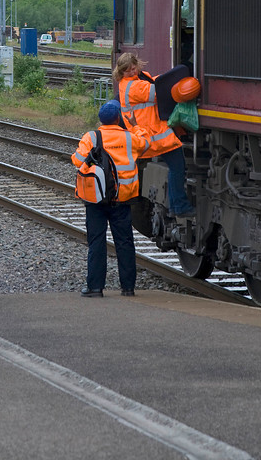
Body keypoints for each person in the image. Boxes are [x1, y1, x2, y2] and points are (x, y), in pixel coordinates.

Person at [71, 100, 148, 298]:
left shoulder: (92, 137)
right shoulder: (130, 138)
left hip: (95, 198)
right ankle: (128, 288)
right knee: (124, 242)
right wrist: (135, 125)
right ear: (119, 118)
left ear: (100, 119)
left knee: (96, 241)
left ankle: (95, 288)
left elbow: (77, 161)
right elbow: (146, 143)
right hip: (122, 199)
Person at [113, 52, 195, 219]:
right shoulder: (133, 86)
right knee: (177, 167)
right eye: (128, 70)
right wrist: (180, 77)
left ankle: (177, 205)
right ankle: (178, 206)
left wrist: (168, 76)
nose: (132, 72)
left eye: (134, 68)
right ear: (121, 71)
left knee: (176, 167)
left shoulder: (132, 82)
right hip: (154, 136)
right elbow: (158, 91)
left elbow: (153, 81)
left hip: (151, 135)